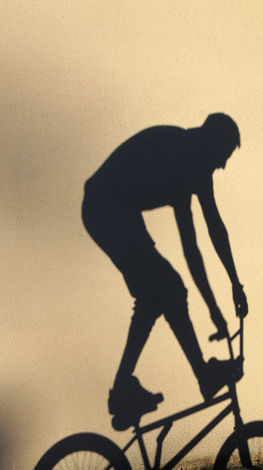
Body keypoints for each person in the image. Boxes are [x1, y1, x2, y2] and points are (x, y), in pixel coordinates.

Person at [82, 113, 248, 430]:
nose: (223, 166)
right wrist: (231, 288)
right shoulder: (187, 159)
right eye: (224, 156)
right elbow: (204, 237)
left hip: (113, 211)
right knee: (165, 288)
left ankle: (152, 383)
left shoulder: (191, 161)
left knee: (165, 291)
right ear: (213, 143)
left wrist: (222, 298)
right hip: (106, 208)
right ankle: (128, 388)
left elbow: (199, 242)